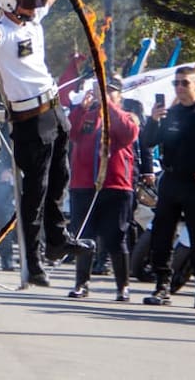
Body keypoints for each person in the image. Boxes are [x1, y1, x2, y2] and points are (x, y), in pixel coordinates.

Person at [0, 0, 91, 287]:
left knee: (59, 179)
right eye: (28, 0)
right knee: (34, 191)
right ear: (9, 1)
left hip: (54, 110)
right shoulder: (2, 32)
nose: (36, 5)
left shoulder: (33, 19)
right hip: (29, 121)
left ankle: (57, 240)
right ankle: (34, 260)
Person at [140, 65, 195, 308]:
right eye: (176, 83)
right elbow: (147, 142)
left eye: (184, 83)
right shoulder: (168, 114)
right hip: (170, 181)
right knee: (162, 235)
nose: (179, 87)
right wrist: (153, 120)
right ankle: (162, 287)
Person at [66, 74, 139, 302]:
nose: (104, 94)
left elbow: (128, 134)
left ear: (119, 95)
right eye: (101, 90)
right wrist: (80, 109)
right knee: (84, 237)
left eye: (110, 91)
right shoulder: (86, 115)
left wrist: (108, 106)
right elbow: (71, 133)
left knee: (116, 237)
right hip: (84, 186)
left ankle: (122, 286)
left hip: (114, 186)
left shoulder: (127, 116)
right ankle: (81, 283)